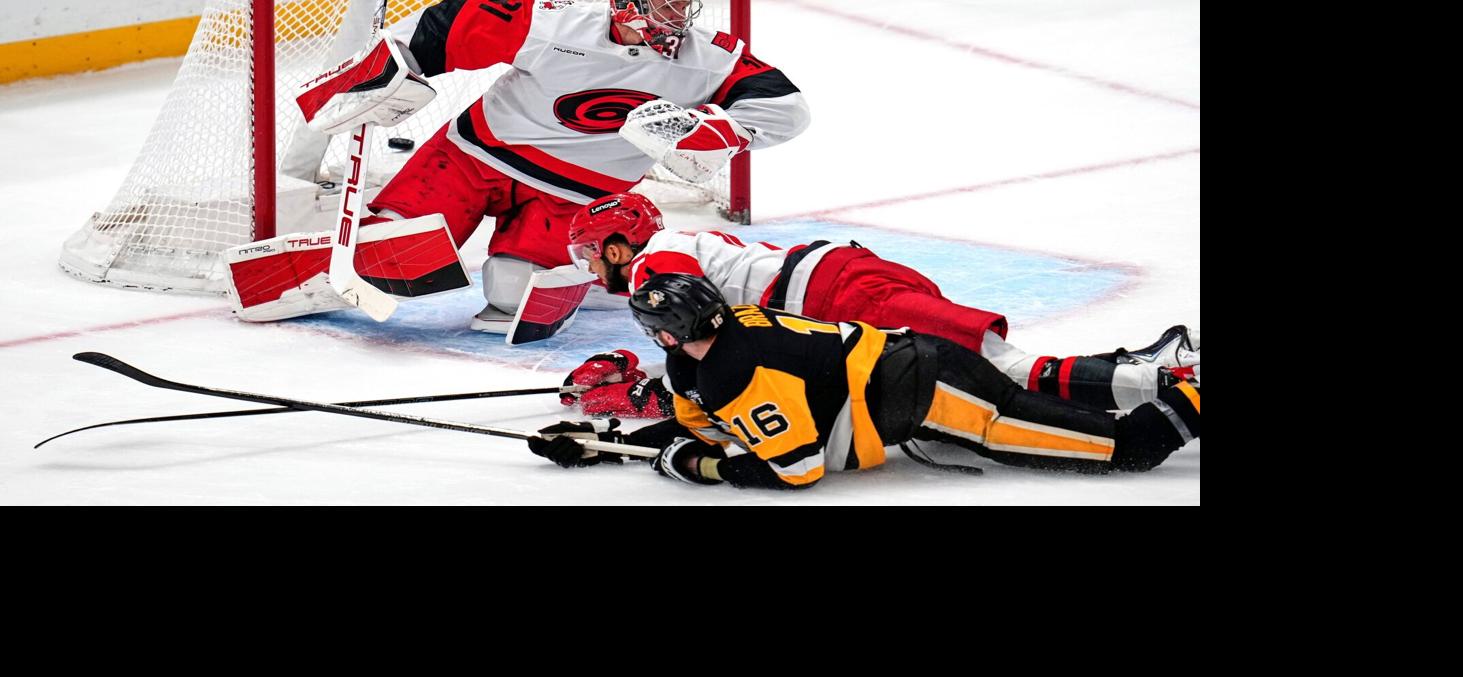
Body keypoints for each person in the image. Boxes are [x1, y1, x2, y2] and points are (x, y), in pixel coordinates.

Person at [243, 1, 810, 332]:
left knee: (513, 296)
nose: (677, 16)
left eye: (684, 6)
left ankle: (580, 270)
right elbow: (444, 28)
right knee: (400, 255)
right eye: (664, 4)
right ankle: (331, 269)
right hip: (472, 159)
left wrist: (716, 130)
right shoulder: (554, 22)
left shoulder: (711, 58)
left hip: (574, 196)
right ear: (625, 3)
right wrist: (381, 76)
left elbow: (786, 108)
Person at [553, 193, 1199, 420]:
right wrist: (653, 370)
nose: (589, 267)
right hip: (849, 281)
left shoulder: (654, 262)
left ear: (617, 245)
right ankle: (1146, 368)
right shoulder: (681, 245)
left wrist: (651, 394)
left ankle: (1166, 383)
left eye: (589, 253)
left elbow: (701, 333)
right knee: (979, 376)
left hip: (845, 296)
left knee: (1001, 374)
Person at [527, 274, 1201, 489]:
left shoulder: (735, 369)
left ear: (664, 334)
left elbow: (795, 470)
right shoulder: (708, 352)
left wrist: (690, 467)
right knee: (1037, 399)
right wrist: (605, 443)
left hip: (938, 395)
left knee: (1126, 449)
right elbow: (701, 423)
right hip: (916, 372)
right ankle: (1160, 374)